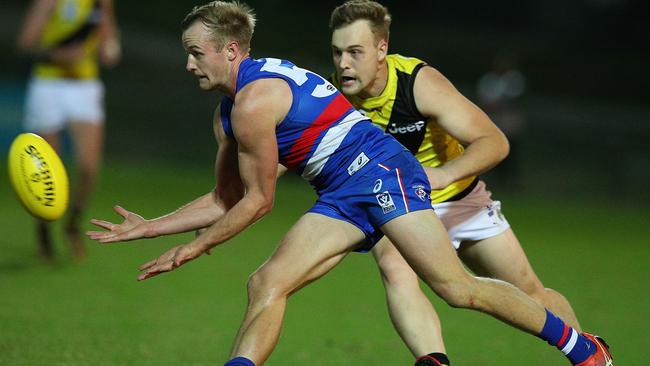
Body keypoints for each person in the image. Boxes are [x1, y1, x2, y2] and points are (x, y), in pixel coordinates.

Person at [86, 2, 612, 366]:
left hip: (384, 172)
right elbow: (227, 198)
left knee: (456, 289)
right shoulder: (231, 111)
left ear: (230, 52)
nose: (187, 63)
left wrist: (194, 248)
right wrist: (153, 227)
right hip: (342, 193)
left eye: (196, 52)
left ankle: (583, 349)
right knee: (266, 284)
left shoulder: (253, 102)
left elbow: (261, 202)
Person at [328, 1, 611, 365]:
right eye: (337, 52)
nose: (343, 63)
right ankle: (433, 360)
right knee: (394, 268)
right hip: (401, 205)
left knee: (530, 293)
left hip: (461, 199)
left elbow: (495, 141)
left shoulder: (418, 83)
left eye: (354, 52)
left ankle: (591, 355)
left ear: (381, 49)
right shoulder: (334, 96)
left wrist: (444, 175)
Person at [17, 0, 121, 260]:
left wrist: (111, 49)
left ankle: (73, 222)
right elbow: (26, 42)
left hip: (84, 88)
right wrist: (56, 54)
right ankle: (44, 228)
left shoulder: (101, 2)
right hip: (48, 85)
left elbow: (109, 36)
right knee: (49, 169)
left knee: (88, 166)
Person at [477, 50, 527, 191]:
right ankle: (489, 183)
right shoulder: (488, 80)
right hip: (493, 121)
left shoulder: (514, 78)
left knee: (511, 154)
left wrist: (498, 103)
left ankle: (512, 184)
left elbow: (515, 100)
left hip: (509, 121)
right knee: (490, 151)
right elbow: (485, 102)